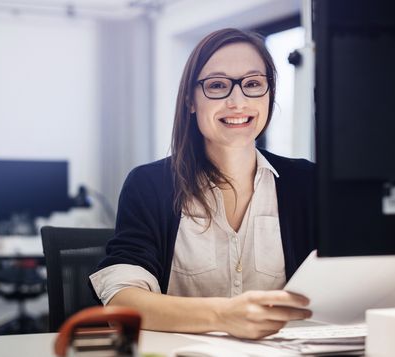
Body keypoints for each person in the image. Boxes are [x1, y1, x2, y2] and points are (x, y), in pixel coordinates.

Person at [90, 28, 315, 339]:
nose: (238, 101)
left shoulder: (307, 183)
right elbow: (122, 301)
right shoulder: (149, 185)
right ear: (190, 100)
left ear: (269, 94)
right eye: (218, 85)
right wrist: (223, 316)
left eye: (252, 84)